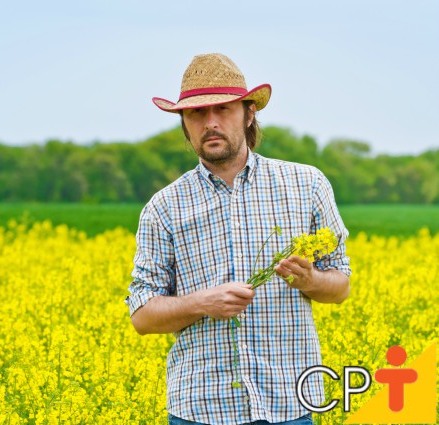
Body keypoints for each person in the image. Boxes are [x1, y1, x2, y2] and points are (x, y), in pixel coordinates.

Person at [124, 53, 351, 425]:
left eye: (223, 109)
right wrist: (201, 303)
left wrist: (311, 281)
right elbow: (142, 315)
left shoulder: (307, 185)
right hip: (199, 410)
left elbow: (340, 285)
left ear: (248, 113)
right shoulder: (163, 207)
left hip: (289, 406)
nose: (210, 123)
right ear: (184, 123)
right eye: (197, 113)